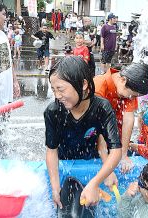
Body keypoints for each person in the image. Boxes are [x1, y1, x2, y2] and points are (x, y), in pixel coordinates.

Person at [44, 56, 122, 208]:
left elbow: (116, 151)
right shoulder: (53, 111)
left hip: (90, 160)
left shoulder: (102, 108)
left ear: (83, 84)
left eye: (60, 89)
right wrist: (55, 187)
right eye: (54, 89)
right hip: (66, 160)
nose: (57, 96)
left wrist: (96, 182)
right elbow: (51, 151)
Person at [94, 63, 148, 173]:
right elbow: (98, 126)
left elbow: (128, 120)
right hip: (93, 136)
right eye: (134, 96)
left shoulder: (130, 87)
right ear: (122, 80)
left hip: (113, 136)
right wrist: (106, 163)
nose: (133, 98)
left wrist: (124, 154)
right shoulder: (99, 86)